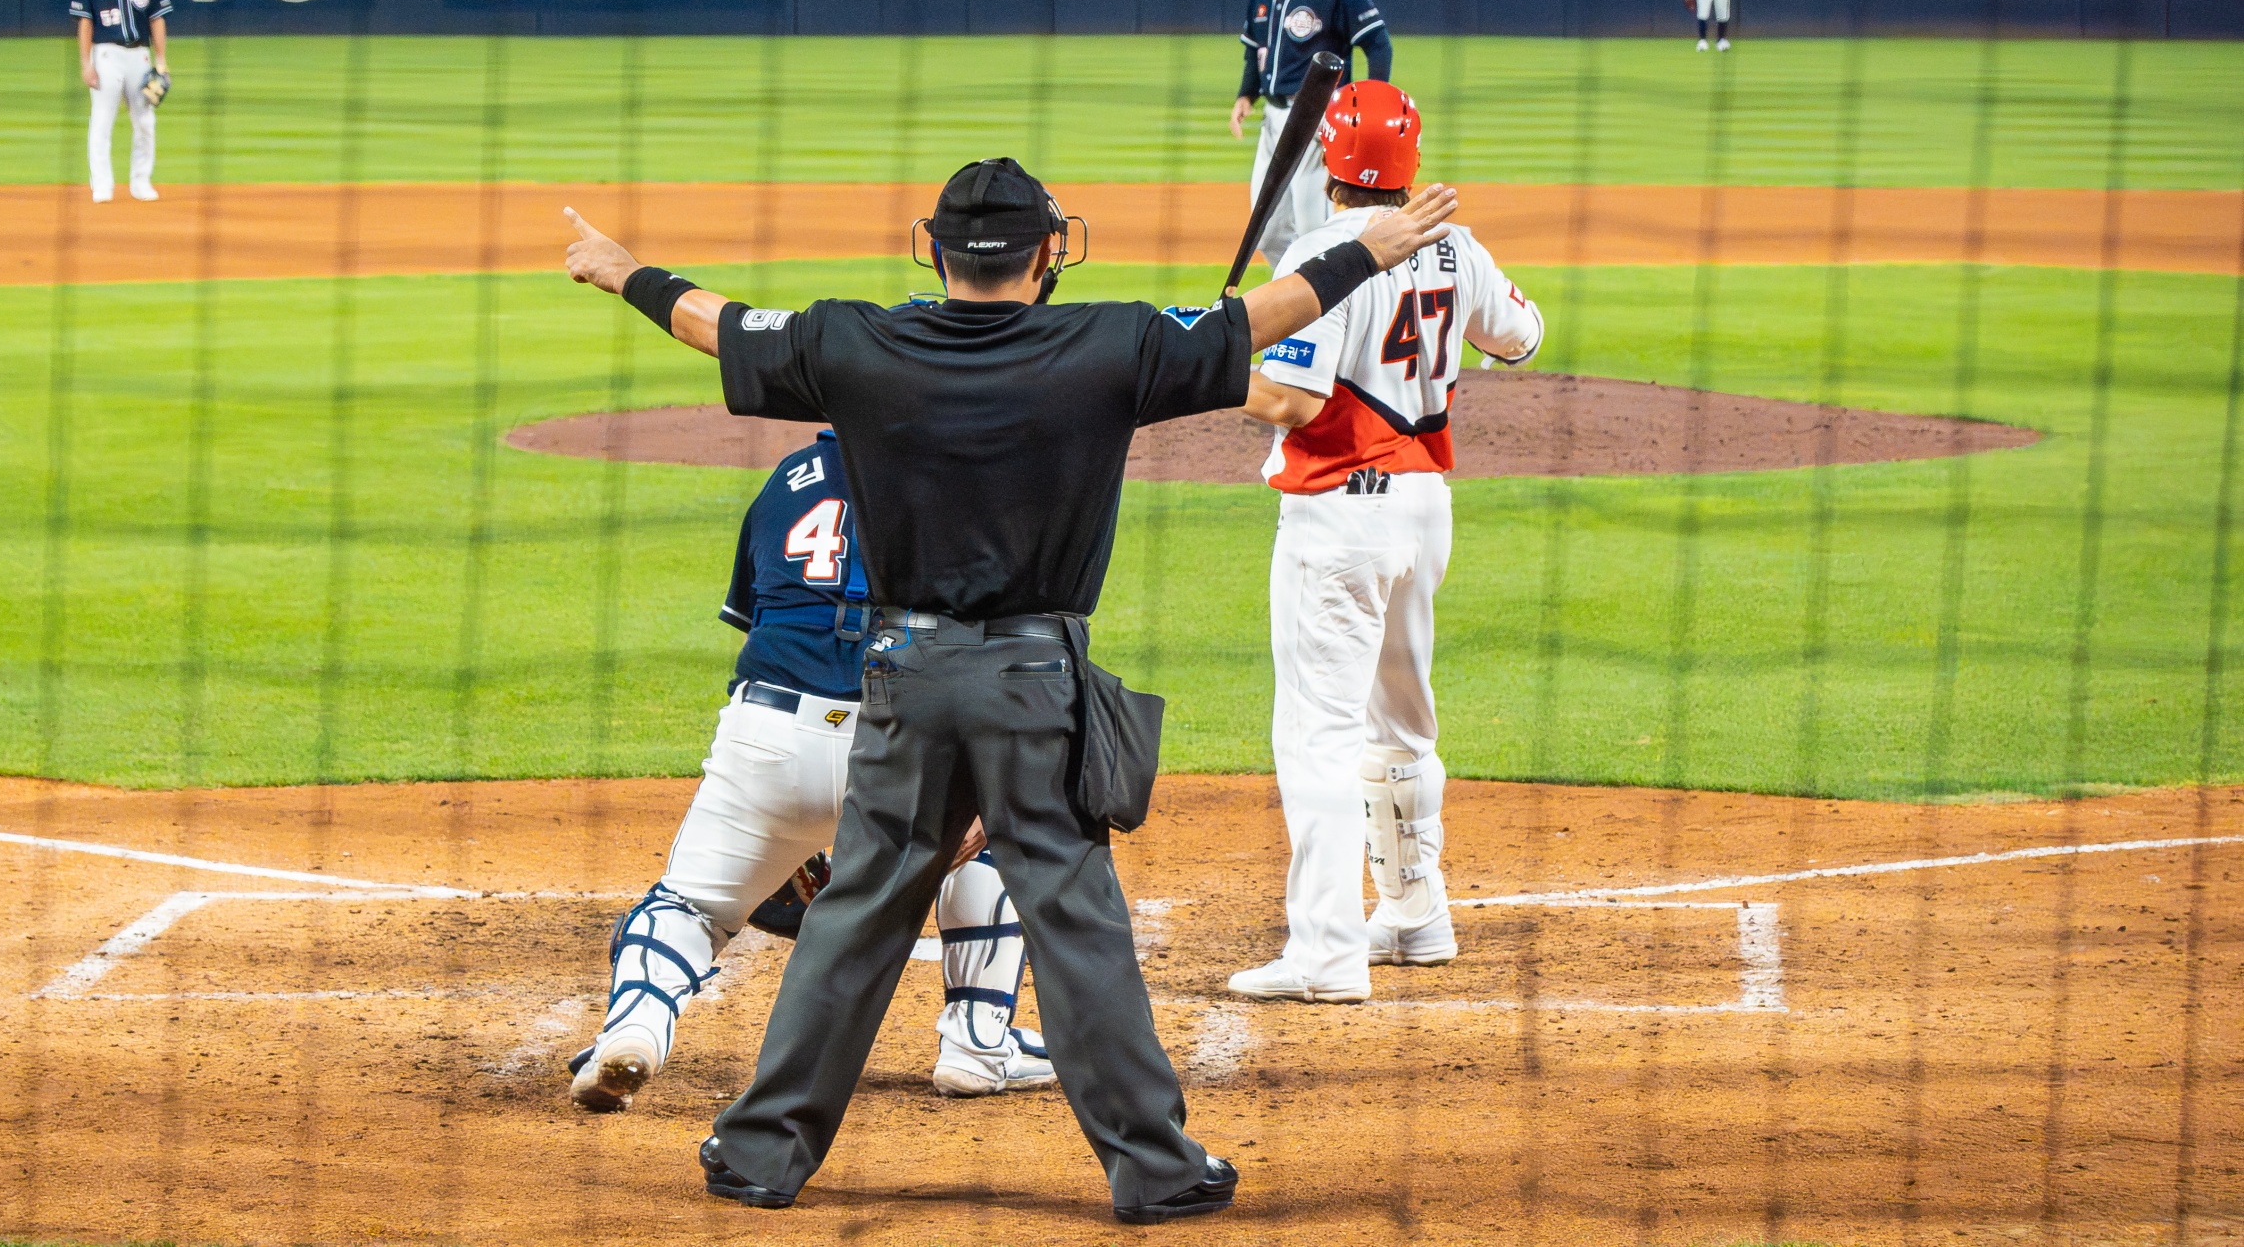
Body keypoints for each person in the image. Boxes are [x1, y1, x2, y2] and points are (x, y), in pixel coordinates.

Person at [560, 155, 1458, 1224]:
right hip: (1034, 686)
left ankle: (759, 1153)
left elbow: (719, 323)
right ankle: (1155, 1168)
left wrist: (622, 271)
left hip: (902, 680)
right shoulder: (1112, 345)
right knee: (1075, 920)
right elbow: (1265, 315)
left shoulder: (858, 344)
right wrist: (1368, 250)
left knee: (857, 912)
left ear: (934, 251)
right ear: (1047, 255)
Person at [568, 430, 1056, 1114]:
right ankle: (977, 1043)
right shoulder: (973, 478)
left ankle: (637, 1028)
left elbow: (767, 621)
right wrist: (983, 787)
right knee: (1004, 833)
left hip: (769, 736)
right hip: (903, 743)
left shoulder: (789, 478)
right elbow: (995, 650)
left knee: (691, 905)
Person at [1229, 82, 1542, 1003]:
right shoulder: (1454, 242)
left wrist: (1209, 363)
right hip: (1421, 512)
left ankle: (1325, 953)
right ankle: (1414, 912)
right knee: (1401, 721)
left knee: (1317, 737)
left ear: (1328, 158)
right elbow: (1521, 339)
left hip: (1339, 516)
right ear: (1411, 161)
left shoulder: (1322, 254)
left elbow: (1291, 403)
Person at [1230, 0, 1393, 268]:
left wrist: (1370, 102)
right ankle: (1295, 292)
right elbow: (1255, 52)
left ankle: (1329, 295)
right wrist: (1245, 95)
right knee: (1266, 231)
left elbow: (1378, 44)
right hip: (1273, 120)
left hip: (1319, 119)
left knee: (1312, 228)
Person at [70, 0, 172, 203]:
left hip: (140, 55)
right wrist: (86, 64)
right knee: (102, 120)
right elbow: (85, 25)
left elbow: (157, 20)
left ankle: (141, 182)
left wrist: (161, 61)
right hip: (106, 55)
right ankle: (102, 185)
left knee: (145, 120)